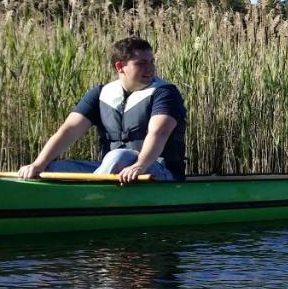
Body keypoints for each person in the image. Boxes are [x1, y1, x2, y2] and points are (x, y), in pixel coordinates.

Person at [17, 35, 186, 184]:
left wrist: (139, 166)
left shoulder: (165, 93)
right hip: (111, 171)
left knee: (119, 156)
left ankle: (84, 198)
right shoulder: (100, 94)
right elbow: (68, 131)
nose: (150, 68)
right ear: (120, 67)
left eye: (151, 62)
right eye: (141, 63)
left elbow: (159, 132)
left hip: (157, 171)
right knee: (51, 168)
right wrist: (38, 164)